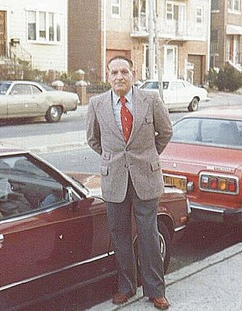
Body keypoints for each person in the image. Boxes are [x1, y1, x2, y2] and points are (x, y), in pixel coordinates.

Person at [86, 56, 173, 310]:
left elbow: (165, 132)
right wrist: (114, 159)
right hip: (115, 180)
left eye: (124, 71)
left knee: (148, 236)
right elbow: (93, 140)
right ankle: (126, 287)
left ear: (133, 73)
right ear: (108, 75)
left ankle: (155, 290)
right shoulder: (97, 104)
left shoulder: (151, 99)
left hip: (146, 177)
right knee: (120, 236)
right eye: (114, 72)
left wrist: (146, 157)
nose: (119, 76)